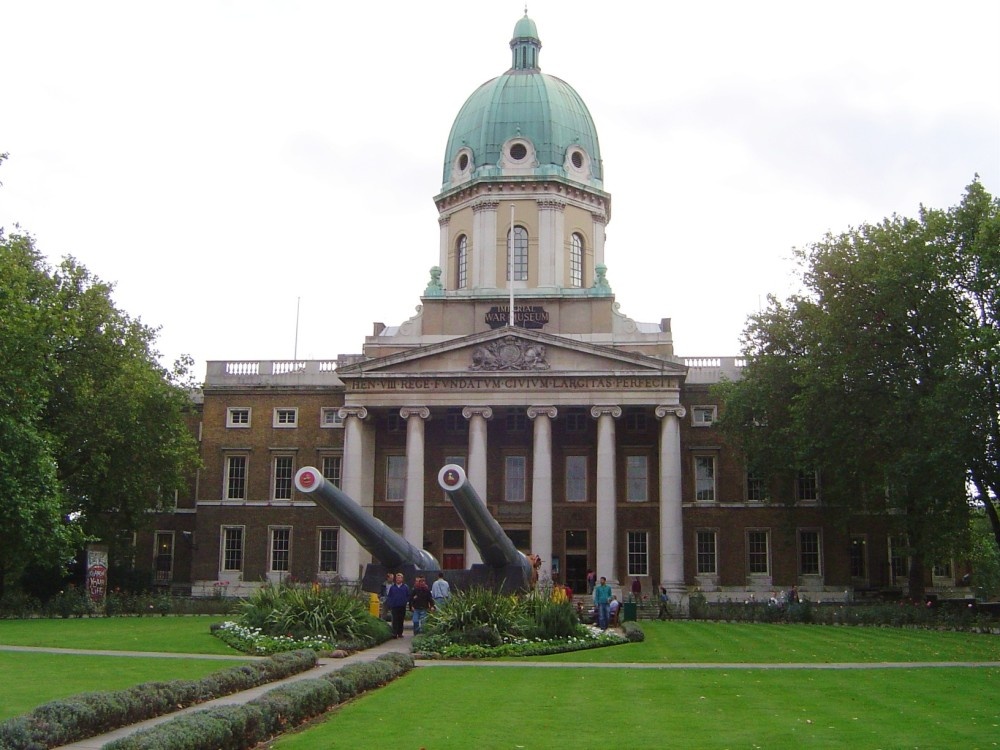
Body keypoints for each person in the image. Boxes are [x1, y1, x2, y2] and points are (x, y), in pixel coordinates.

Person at [385, 572, 410, 638]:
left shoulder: (405, 587)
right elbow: (390, 596)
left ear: (402, 579)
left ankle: (400, 633)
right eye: (397, 578)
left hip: (402, 606)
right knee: (395, 620)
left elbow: (408, 595)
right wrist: (390, 603)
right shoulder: (393, 587)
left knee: (401, 620)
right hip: (394, 606)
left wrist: (405, 601)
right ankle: (394, 633)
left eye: (399, 578)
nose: (398, 579)